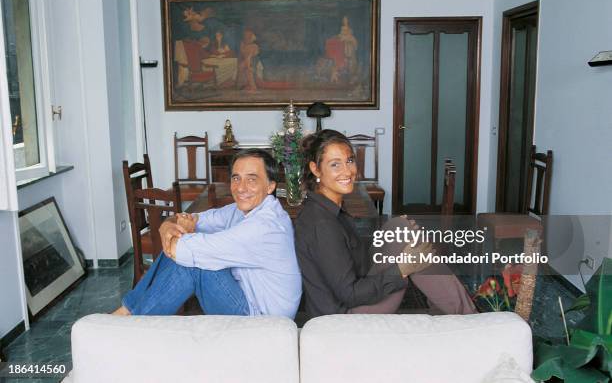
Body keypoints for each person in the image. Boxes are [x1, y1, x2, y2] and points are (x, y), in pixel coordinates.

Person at [294, 130, 477, 317]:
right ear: (315, 169)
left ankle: (459, 312)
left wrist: (394, 242)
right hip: (345, 318)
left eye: (349, 160)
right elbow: (350, 294)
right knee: (407, 240)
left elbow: (350, 260)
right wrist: (401, 270)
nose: (347, 171)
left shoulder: (326, 209)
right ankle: (467, 316)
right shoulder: (322, 224)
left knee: (400, 228)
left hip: (351, 299)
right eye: (335, 164)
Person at [113, 149, 302, 318]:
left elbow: (183, 248)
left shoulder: (265, 227)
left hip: (263, 321)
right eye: (236, 178)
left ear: (270, 186)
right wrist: (168, 225)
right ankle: (127, 311)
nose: (241, 187)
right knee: (183, 242)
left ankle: (133, 323)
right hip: (248, 297)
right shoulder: (242, 210)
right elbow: (193, 218)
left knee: (192, 262)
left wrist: (169, 230)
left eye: (252, 179)